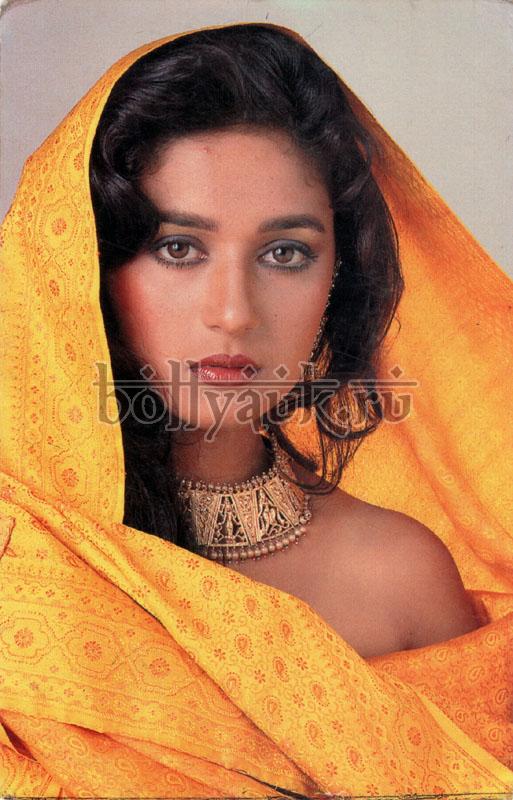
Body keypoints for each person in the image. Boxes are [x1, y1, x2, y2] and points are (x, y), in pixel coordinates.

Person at [0, 21, 512, 799]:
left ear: (338, 279)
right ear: (82, 268)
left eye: (285, 253)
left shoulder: (399, 578)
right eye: (178, 248)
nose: (234, 313)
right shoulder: (20, 560)